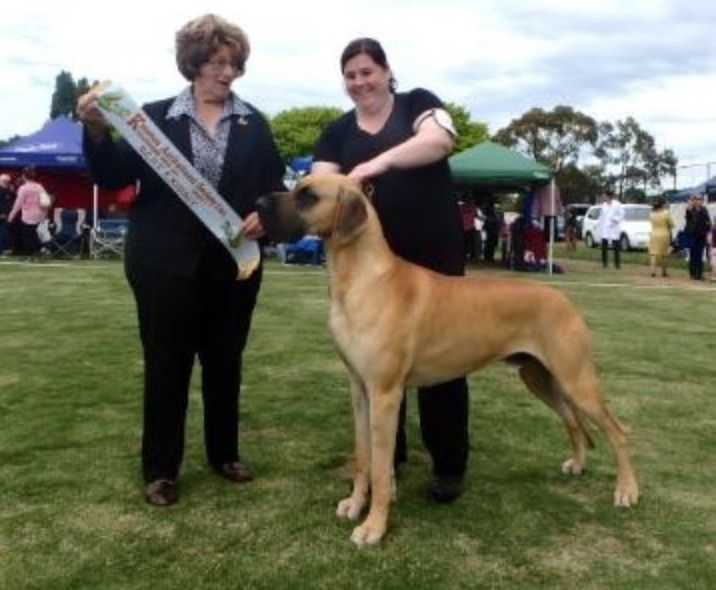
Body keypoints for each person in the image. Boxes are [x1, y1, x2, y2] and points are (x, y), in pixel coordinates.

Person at [77, 13, 285, 506]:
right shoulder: (151, 119)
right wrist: (96, 130)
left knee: (225, 361)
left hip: (234, 265)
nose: (227, 73)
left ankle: (224, 453)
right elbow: (111, 175)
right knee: (166, 364)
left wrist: (266, 216)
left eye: (234, 64)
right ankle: (161, 470)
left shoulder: (254, 123)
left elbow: (274, 189)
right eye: (217, 62)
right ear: (193, 63)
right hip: (162, 263)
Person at [311, 37, 468, 502]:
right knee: (374, 365)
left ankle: (449, 465)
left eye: (368, 72)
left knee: (445, 361)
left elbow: (439, 140)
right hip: (372, 267)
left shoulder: (417, 103)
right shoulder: (337, 131)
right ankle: (385, 464)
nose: (360, 82)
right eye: (351, 75)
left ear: (386, 72)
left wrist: (374, 164)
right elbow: (321, 186)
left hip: (434, 252)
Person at [7, 166, 47, 256]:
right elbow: (45, 201)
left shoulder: (23, 188)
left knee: (27, 235)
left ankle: (31, 253)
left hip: (28, 216)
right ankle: (40, 250)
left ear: (24, 176)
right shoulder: (39, 187)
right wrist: (44, 214)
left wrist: (11, 216)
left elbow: (18, 204)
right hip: (39, 214)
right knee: (33, 234)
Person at [684, 194, 711, 281]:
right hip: (692, 235)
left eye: (699, 199)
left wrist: (707, 230)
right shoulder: (690, 210)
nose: (697, 201)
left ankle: (699, 274)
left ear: (701, 201)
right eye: (695, 199)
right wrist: (689, 208)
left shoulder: (704, 209)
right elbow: (688, 219)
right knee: (692, 254)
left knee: (699, 254)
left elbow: (708, 221)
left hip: (701, 235)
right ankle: (693, 273)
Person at [597, 188, 624, 269]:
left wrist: (615, 220)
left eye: (605, 196)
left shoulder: (617, 204)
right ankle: (604, 263)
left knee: (616, 247)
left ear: (608, 196)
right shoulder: (603, 205)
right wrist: (600, 226)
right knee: (604, 246)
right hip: (605, 228)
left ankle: (617, 264)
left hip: (614, 228)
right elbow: (601, 217)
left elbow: (621, 215)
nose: (603, 197)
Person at [648, 197, 674, 277]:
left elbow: (651, 223)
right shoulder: (666, 213)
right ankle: (664, 272)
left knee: (653, 254)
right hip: (664, 234)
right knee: (664, 254)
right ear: (663, 205)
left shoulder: (652, 213)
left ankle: (653, 271)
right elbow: (672, 224)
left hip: (654, 234)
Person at [0, 173, 15, 253]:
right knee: (3, 232)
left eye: (8, 181)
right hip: (3, 215)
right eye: (5, 181)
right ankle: (2, 248)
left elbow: (12, 202)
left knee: (6, 232)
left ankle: (5, 248)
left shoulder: (9, 192)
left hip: (8, 215)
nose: (7, 183)